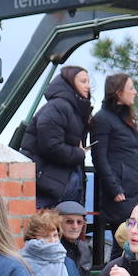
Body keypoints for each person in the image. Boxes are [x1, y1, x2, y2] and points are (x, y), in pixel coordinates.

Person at [20, 66, 91, 208]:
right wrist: (79, 153)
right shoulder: (58, 107)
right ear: (70, 83)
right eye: (83, 81)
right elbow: (50, 145)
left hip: (59, 181)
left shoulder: (71, 109)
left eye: (88, 82)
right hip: (49, 185)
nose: (88, 86)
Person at [90, 73, 138, 228]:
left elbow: (137, 155)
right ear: (119, 92)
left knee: (133, 241)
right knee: (123, 240)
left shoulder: (126, 119)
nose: (135, 92)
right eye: (131, 88)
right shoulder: (102, 119)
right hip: (122, 193)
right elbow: (99, 158)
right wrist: (115, 189)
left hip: (137, 189)